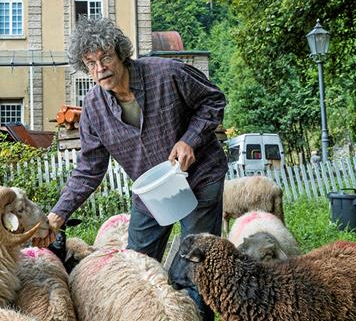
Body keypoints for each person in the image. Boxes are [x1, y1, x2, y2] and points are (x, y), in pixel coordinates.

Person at [32, 17, 227, 321]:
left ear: (120, 53)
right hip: (154, 190)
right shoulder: (94, 108)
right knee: (135, 263)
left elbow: (213, 100)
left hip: (200, 176)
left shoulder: (166, 73)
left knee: (195, 258)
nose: (100, 68)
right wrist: (58, 215)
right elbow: (88, 168)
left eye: (105, 57)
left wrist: (190, 140)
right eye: (90, 62)